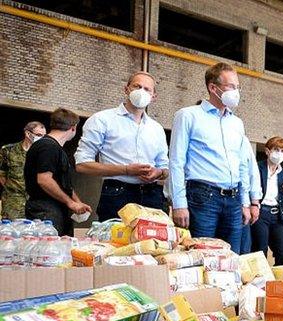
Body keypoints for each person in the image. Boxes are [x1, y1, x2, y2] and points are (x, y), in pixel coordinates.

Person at [168, 62, 261, 253]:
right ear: (213, 87)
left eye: (238, 87)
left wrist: (244, 202)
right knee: (202, 256)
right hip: (203, 197)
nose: (236, 92)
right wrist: (179, 204)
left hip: (234, 199)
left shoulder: (237, 123)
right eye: (231, 87)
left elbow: (241, 164)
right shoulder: (188, 116)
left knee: (230, 258)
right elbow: (176, 161)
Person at [75, 71, 169, 221]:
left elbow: (165, 168)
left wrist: (158, 172)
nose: (141, 92)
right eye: (137, 86)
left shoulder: (157, 128)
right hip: (117, 192)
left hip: (152, 195)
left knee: (151, 242)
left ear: (153, 97)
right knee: (115, 241)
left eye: (147, 89)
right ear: (126, 89)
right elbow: (81, 164)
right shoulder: (102, 120)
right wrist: (125, 170)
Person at [23, 109, 92, 235]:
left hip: (56, 209)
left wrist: (77, 202)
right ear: (73, 128)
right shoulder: (47, 147)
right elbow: (44, 180)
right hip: (45, 209)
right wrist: (70, 202)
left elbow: (63, 183)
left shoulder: (55, 148)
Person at [250, 136, 283, 265]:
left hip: (277, 215)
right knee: (260, 253)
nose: (279, 153)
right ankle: (260, 282)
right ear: (268, 151)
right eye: (276, 149)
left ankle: (276, 282)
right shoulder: (258, 168)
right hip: (261, 213)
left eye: (282, 151)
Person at [0, 121, 46, 221]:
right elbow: (2, 175)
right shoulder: (8, 150)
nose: (41, 138)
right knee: (11, 232)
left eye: (44, 136)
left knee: (35, 233)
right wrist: (14, 188)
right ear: (27, 133)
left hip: (35, 202)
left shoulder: (44, 153)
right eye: (38, 135)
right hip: (13, 202)